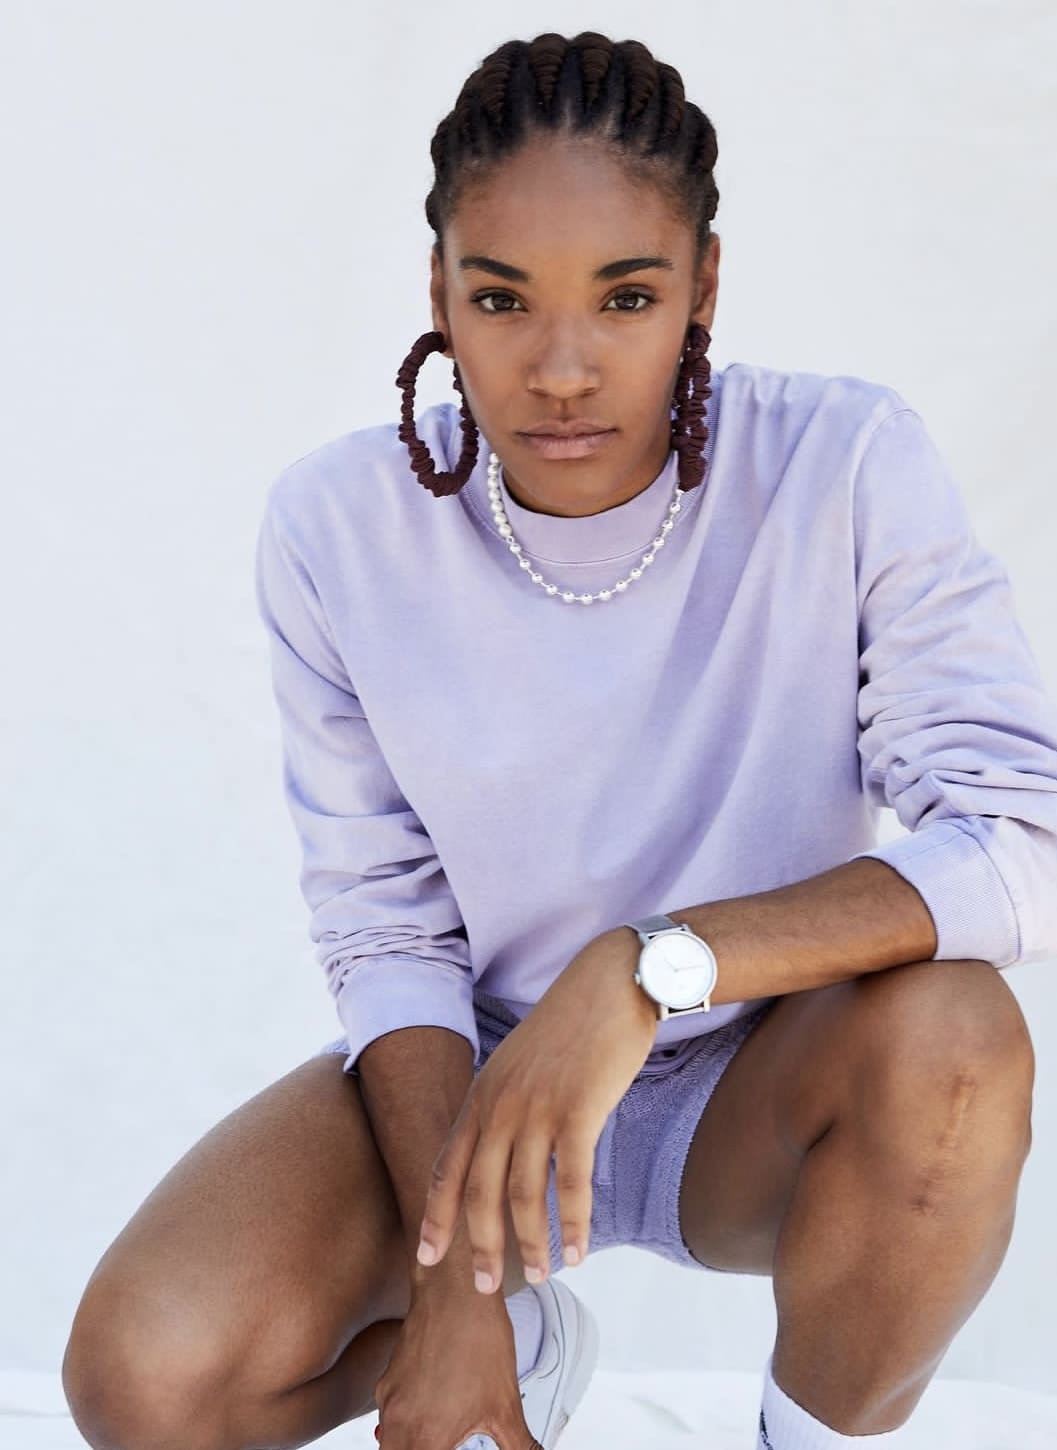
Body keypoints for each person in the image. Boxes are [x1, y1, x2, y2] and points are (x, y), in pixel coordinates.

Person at [61, 29, 1057, 1450]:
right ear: (439, 295)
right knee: (147, 1382)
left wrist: (651, 965)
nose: (564, 367)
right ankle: (525, 1340)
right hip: (476, 1087)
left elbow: (1025, 838)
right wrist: (458, 1285)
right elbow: (384, 920)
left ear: (704, 285)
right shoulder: (340, 526)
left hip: (768, 1075)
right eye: (502, 299)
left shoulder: (840, 465)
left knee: (958, 1040)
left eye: (627, 296)